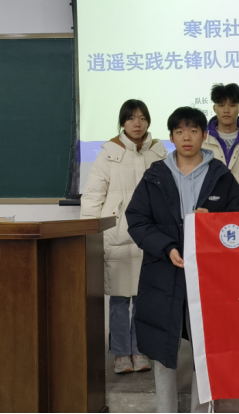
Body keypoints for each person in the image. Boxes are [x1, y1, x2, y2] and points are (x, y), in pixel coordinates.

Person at [126, 106, 239, 414]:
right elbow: (137, 219)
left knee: (205, 348)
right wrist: (167, 247)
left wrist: (213, 224)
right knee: (163, 347)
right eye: (180, 131)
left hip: (208, 275)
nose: (187, 137)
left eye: (193, 131)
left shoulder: (220, 176)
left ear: (204, 136)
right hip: (163, 272)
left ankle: (201, 409)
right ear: (171, 137)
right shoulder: (156, 175)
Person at [80, 99, 167, 375]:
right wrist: (89, 233)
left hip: (149, 235)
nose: (137, 123)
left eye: (142, 118)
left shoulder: (159, 153)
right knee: (119, 298)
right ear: (123, 122)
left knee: (144, 297)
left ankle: (140, 350)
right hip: (116, 233)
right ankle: (120, 352)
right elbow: (93, 195)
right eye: (131, 118)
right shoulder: (108, 153)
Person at [204, 83, 239, 206]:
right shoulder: (202, 142)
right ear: (214, 108)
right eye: (221, 105)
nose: (226, 110)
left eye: (232, 105)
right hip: (211, 210)